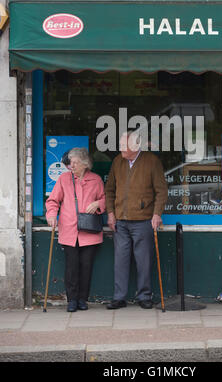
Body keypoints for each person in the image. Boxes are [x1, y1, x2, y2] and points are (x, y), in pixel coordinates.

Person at [105, 130, 168, 310]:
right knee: (120, 260)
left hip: (143, 220)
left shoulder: (151, 161)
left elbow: (161, 190)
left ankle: (144, 296)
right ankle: (119, 297)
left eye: (123, 145)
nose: (120, 149)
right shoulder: (118, 161)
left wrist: (157, 213)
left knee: (143, 260)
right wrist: (111, 213)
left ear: (135, 146)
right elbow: (109, 189)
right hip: (120, 221)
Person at [46, 147, 106, 312]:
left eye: (75, 162)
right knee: (71, 267)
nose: (71, 165)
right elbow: (53, 201)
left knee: (86, 266)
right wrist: (51, 215)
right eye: (70, 162)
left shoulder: (96, 180)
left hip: (89, 231)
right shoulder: (64, 179)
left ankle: (82, 299)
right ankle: (72, 300)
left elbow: (105, 198)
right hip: (69, 230)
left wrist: (98, 204)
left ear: (85, 164)